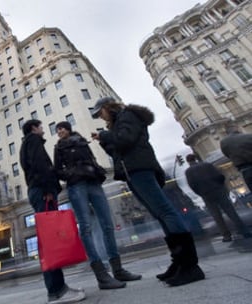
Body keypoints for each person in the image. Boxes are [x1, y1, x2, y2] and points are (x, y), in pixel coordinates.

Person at [90, 97, 205, 287]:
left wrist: (105, 136)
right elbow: (118, 152)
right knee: (160, 215)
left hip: (140, 168)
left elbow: (126, 140)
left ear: (107, 107)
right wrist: (104, 141)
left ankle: (190, 266)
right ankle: (178, 262)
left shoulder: (128, 116)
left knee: (166, 212)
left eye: (100, 112)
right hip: (132, 171)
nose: (100, 117)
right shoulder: (119, 122)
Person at [53, 121, 141, 290]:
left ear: (68, 129)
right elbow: (58, 170)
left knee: (108, 224)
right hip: (76, 186)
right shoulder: (59, 147)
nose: (59, 132)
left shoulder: (82, 141)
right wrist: (72, 174)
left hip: (94, 182)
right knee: (85, 227)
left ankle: (118, 269)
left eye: (62, 128)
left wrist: (97, 170)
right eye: (57, 130)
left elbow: (92, 159)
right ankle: (101, 275)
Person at [20, 119, 85, 304]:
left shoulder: (29, 143)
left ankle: (60, 287)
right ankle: (56, 291)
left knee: (51, 240)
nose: (42, 129)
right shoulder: (33, 141)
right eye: (40, 126)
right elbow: (39, 166)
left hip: (40, 190)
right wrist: (49, 190)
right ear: (34, 128)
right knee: (50, 242)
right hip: (42, 191)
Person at [185, 154, 251, 242]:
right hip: (218, 190)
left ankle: (226, 235)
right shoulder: (207, 165)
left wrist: (201, 193)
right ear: (196, 158)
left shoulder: (188, 171)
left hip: (206, 194)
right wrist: (220, 186)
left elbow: (192, 185)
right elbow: (220, 176)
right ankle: (244, 231)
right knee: (231, 212)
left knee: (217, 216)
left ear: (188, 161)